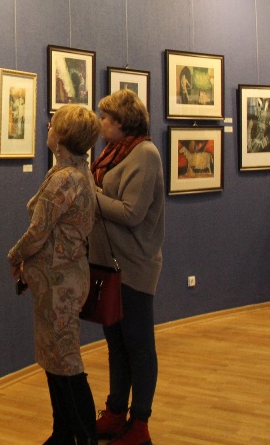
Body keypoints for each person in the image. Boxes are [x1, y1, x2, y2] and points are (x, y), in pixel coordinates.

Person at [8, 104, 102, 444]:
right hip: (62, 277)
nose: (48, 126)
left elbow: (38, 232)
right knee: (57, 361)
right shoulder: (76, 171)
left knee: (66, 362)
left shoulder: (65, 179)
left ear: (62, 137)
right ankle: (63, 432)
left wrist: (14, 256)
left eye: (54, 125)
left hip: (60, 282)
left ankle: (83, 436)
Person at [88, 89, 164, 445]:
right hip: (108, 263)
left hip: (134, 264)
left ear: (121, 122)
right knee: (116, 343)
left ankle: (140, 423)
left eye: (105, 117)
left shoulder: (145, 154)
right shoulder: (112, 153)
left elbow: (132, 213)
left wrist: (90, 196)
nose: (101, 122)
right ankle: (116, 411)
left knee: (138, 344)